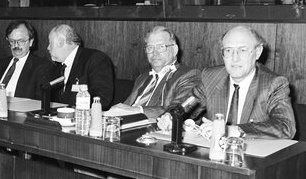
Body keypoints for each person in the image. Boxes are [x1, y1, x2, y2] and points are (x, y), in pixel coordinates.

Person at [157, 25, 296, 139]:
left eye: (242, 50)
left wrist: (233, 130)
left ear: (257, 52)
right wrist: (170, 116)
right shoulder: (211, 77)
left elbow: (286, 127)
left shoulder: (274, 84)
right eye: (228, 50)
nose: (235, 58)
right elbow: (186, 106)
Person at [110, 26, 200, 120]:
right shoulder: (143, 78)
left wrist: (138, 110)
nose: (154, 53)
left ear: (174, 50)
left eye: (161, 47)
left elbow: (179, 110)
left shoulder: (189, 75)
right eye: (150, 48)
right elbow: (126, 107)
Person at [47, 24, 114, 109]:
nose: (48, 48)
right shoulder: (57, 67)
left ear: (61, 42)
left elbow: (102, 99)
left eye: (50, 43)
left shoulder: (95, 59)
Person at [0, 20, 53, 100]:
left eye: (21, 41)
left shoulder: (42, 67)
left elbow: (41, 101)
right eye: (12, 41)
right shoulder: (1, 64)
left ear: (31, 42)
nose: (16, 45)